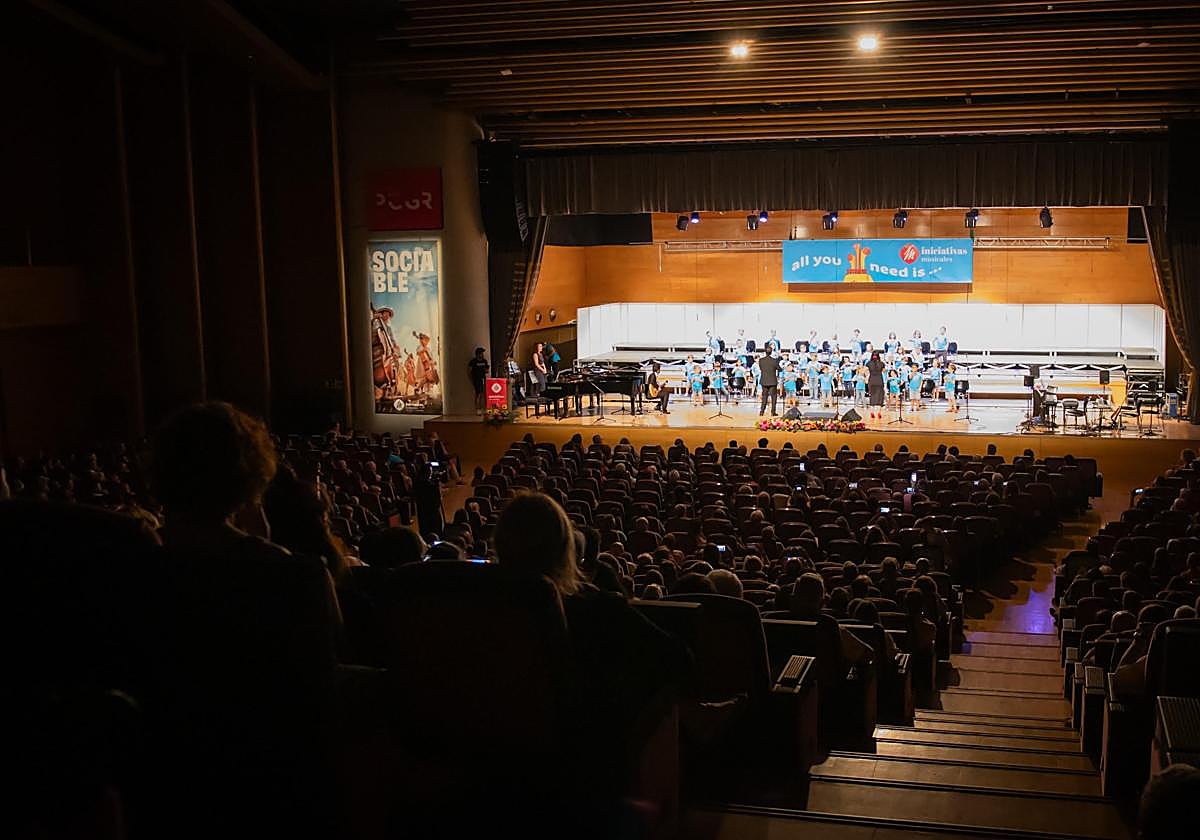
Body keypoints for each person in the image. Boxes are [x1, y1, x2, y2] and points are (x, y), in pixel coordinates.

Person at [147, 402, 341, 837]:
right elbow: (322, 693)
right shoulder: (296, 577)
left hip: (169, 792)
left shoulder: (130, 571)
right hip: (277, 792)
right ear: (253, 479)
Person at [758, 347, 782, 417]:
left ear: (765, 352)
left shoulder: (761, 360)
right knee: (773, 397)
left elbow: (761, 368)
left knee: (764, 397)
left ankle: (762, 411)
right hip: (772, 381)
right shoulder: (774, 361)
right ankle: (773, 412)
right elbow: (779, 369)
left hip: (764, 381)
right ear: (771, 352)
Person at [468, 347, 490, 414]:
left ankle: (484, 408)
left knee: (484, 394)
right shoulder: (473, 361)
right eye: (481, 353)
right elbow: (469, 371)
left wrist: (487, 370)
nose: (482, 354)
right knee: (478, 394)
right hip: (476, 379)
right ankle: (478, 409)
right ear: (477, 354)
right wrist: (471, 379)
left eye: (482, 353)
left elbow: (487, 371)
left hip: (483, 378)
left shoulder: (484, 361)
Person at [867, 350, 885, 419]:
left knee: (872, 396)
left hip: (871, 381)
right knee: (880, 397)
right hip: (879, 381)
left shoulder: (869, 363)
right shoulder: (881, 363)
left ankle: (872, 412)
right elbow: (884, 371)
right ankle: (879, 412)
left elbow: (866, 371)